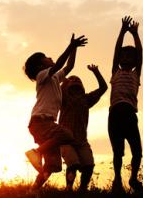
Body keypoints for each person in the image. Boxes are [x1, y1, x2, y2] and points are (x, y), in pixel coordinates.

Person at [24, 33, 88, 189]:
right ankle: (36, 152)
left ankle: (33, 190)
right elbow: (59, 64)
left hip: (44, 124)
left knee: (53, 165)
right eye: (45, 57)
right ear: (40, 66)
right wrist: (70, 46)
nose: (50, 57)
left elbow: (69, 66)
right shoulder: (42, 76)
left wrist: (75, 49)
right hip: (41, 121)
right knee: (66, 134)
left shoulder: (53, 78)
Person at [108, 16, 143, 193]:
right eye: (124, 55)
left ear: (135, 60)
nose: (125, 57)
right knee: (118, 152)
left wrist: (135, 34)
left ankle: (133, 179)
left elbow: (140, 53)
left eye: (130, 55)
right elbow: (116, 51)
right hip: (115, 115)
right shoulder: (115, 71)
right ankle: (117, 180)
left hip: (130, 115)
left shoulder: (136, 74)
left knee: (137, 152)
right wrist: (122, 31)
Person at [59, 64, 107, 193]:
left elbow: (103, 88)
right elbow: (58, 90)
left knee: (89, 166)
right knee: (73, 164)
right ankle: (68, 188)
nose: (75, 81)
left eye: (78, 80)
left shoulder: (86, 99)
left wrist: (96, 72)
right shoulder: (63, 99)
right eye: (72, 80)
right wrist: (64, 80)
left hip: (81, 141)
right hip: (65, 140)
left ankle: (82, 189)